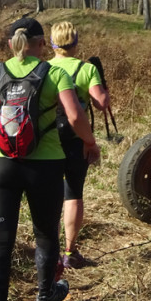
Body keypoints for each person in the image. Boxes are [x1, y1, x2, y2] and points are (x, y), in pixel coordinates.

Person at [0, 17, 101, 301]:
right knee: (44, 233)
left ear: (11, 43)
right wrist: (90, 142)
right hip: (45, 165)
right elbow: (74, 116)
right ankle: (44, 296)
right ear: (40, 43)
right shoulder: (56, 74)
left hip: (0, 168)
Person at [48, 21, 110, 270]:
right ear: (75, 42)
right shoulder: (87, 69)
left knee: (47, 196)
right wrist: (101, 81)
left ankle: (47, 249)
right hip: (76, 141)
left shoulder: (43, 68)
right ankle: (70, 251)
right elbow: (101, 104)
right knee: (73, 194)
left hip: (46, 141)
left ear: (52, 43)